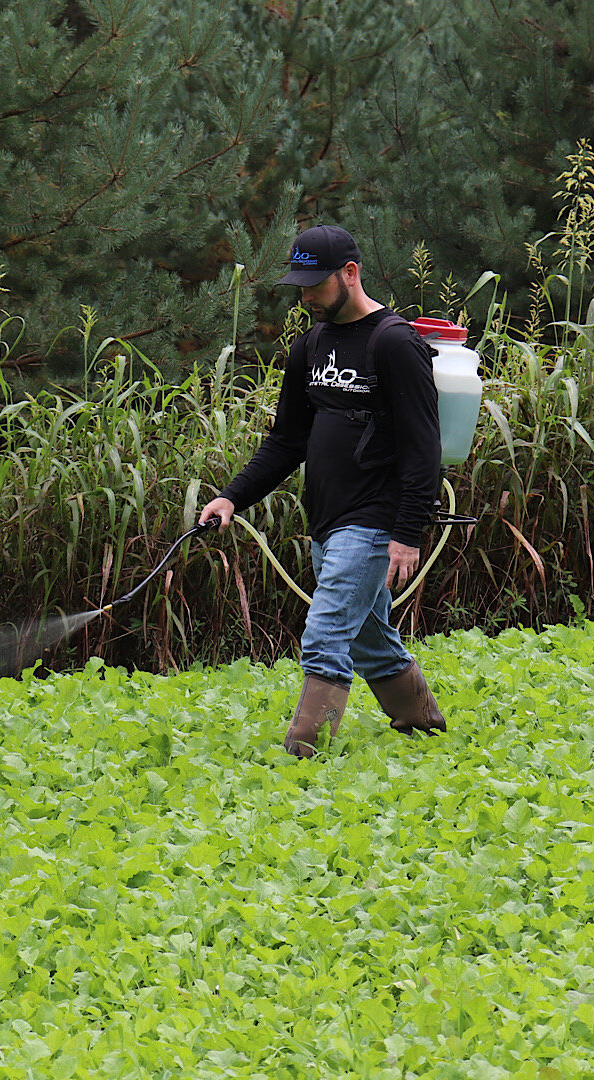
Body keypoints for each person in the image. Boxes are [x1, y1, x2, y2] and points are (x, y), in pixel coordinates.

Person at [200, 224, 447, 758]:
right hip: (327, 517)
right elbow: (286, 442)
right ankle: (421, 720)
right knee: (368, 636)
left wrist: (408, 533)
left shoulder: (396, 343)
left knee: (327, 633)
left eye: (315, 285)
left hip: (375, 518)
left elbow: (424, 448)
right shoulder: (311, 345)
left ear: (350, 274)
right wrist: (232, 497)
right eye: (301, 286)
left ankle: (306, 754)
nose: (306, 296)